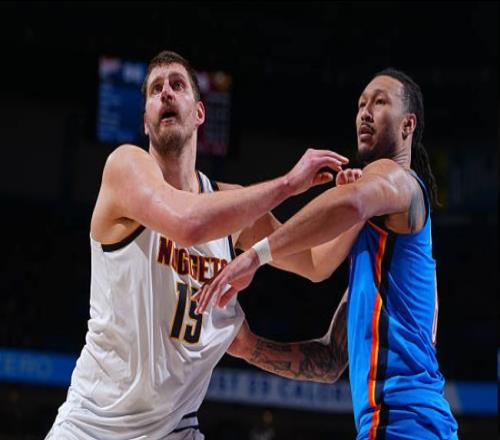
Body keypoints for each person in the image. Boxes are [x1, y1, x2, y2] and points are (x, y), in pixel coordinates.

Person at [45, 50, 350, 439]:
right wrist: (289, 184)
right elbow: (187, 224)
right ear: (145, 121)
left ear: (200, 113)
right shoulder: (125, 168)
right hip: (93, 425)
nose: (166, 93)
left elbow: (315, 263)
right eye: (155, 89)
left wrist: (358, 204)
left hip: (176, 428)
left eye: (177, 85)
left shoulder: (231, 207)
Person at [195, 68, 459, 439]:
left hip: (405, 423)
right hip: (408, 424)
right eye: (361, 105)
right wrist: (249, 347)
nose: (365, 112)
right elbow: (330, 360)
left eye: (379, 102)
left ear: (407, 125)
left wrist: (255, 256)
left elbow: (352, 203)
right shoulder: (379, 256)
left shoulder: (402, 180)